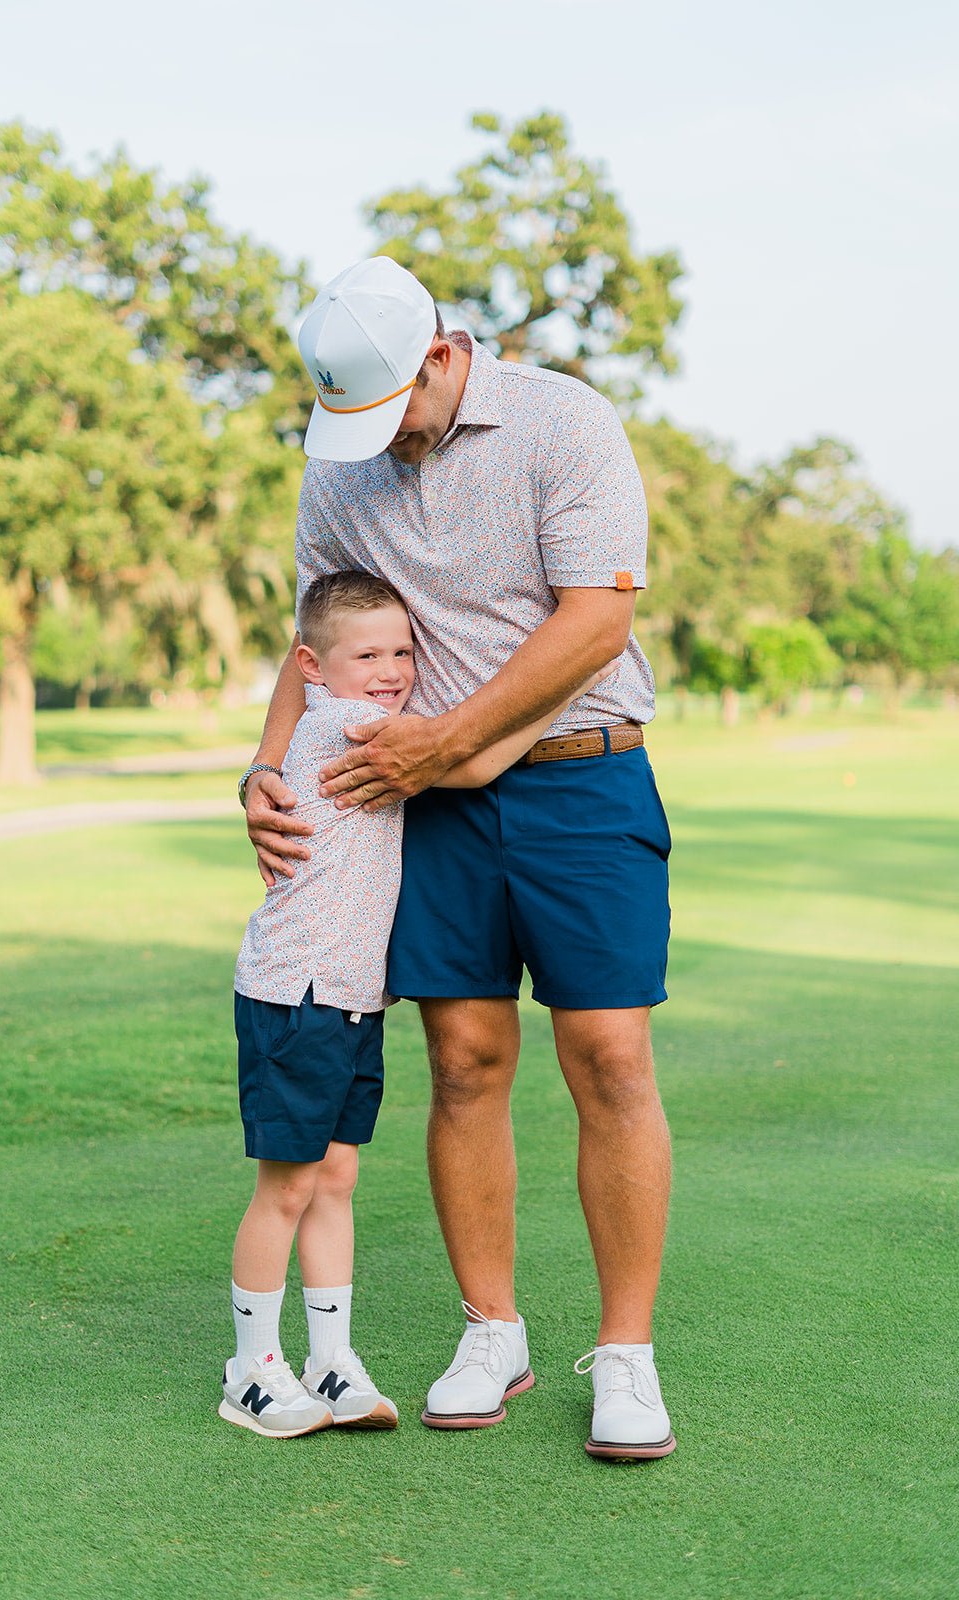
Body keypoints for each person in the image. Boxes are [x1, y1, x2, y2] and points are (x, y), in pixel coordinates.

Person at [241, 256, 676, 1460]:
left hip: (582, 776)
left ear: (442, 355)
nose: (377, 440)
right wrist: (263, 769)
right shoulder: (341, 466)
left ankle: (625, 1355)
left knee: (609, 1055)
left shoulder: (563, 422)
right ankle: (493, 1331)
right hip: (423, 798)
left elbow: (596, 621)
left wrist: (453, 739)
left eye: (393, 409)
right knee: (464, 1057)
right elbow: (313, 644)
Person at [224, 568, 588, 1440]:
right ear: (311, 666)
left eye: (400, 651)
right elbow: (470, 761)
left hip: (350, 997)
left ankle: (330, 1360)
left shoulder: (359, 710)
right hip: (298, 990)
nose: (389, 670)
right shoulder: (344, 724)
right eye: (365, 655)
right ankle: (251, 1370)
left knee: (336, 1177)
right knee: (288, 1186)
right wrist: (567, 688)